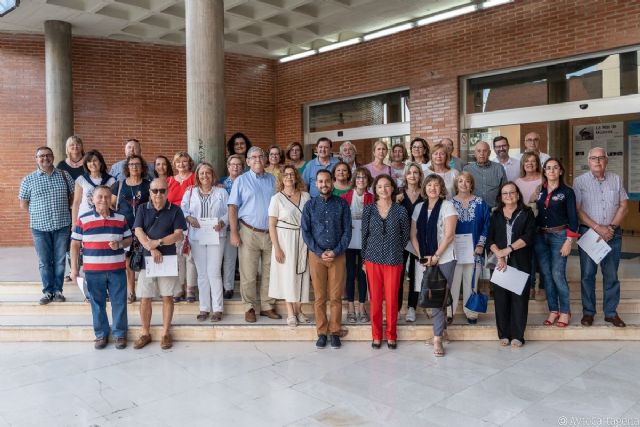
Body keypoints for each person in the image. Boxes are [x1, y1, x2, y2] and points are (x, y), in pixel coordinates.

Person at [70, 185, 132, 349]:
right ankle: (101, 334)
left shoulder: (120, 218)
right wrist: (74, 269)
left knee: (119, 302)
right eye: (100, 197)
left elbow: (129, 240)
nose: (103, 200)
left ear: (111, 198)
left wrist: (120, 243)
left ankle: (119, 334)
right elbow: (75, 244)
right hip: (92, 271)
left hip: (117, 269)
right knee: (97, 303)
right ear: (92, 199)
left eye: (106, 196)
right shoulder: (83, 219)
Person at [574, 147, 629, 328]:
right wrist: (598, 228)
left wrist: (611, 228)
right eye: (594, 158)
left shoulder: (616, 179)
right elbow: (578, 210)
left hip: (613, 234)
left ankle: (611, 313)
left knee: (611, 275)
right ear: (588, 161)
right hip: (589, 233)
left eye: (601, 158)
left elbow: (623, 206)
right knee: (587, 275)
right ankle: (588, 312)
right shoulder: (579, 181)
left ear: (606, 160)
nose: (597, 161)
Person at [133, 178, 187, 350]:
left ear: (167, 192)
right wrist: (151, 247)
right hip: (146, 261)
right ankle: (145, 333)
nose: (158, 194)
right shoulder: (142, 208)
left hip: (168, 260)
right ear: (149, 192)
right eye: (155, 190)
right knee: (145, 297)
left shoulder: (176, 210)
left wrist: (159, 242)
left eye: (162, 190)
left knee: (167, 297)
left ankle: (165, 333)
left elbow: (179, 234)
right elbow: (138, 230)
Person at [228, 146, 279, 323]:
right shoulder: (241, 181)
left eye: (261, 156)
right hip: (248, 231)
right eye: (253, 157)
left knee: (269, 271)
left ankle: (267, 305)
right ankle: (249, 307)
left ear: (266, 160)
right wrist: (234, 232)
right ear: (248, 161)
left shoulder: (273, 180)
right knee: (248, 273)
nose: (258, 159)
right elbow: (233, 207)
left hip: (270, 232)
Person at [301, 170, 351, 349]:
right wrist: (319, 251)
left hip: (337, 256)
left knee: (336, 297)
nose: (324, 184)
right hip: (316, 256)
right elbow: (305, 232)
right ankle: (322, 332)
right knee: (320, 297)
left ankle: (335, 331)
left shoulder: (342, 204)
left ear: (332, 182)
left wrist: (336, 251)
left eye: (327, 181)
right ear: (316, 184)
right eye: (320, 181)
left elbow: (347, 231)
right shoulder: (310, 206)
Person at [19, 146, 75, 304]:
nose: (45, 158)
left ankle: (58, 291)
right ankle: (47, 292)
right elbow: (24, 204)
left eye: (48, 155)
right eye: (41, 156)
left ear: (53, 157)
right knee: (44, 261)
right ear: (36, 159)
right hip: (39, 228)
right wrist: (39, 213)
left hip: (62, 225)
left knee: (59, 260)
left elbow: (72, 197)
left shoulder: (64, 175)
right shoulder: (28, 179)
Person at [410, 174, 458, 357]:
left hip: (445, 258)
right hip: (425, 258)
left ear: (441, 188)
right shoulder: (419, 208)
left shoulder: (448, 206)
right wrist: (423, 256)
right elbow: (413, 235)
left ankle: (437, 338)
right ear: (424, 188)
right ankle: (442, 331)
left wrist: (436, 256)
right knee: (437, 296)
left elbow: (449, 235)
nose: (432, 188)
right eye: (429, 185)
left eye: (436, 185)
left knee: (438, 297)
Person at [362, 174, 410, 349]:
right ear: (375, 189)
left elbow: (405, 236)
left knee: (391, 299)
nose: (383, 189)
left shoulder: (401, 211)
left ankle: (391, 335)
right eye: (380, 186)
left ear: (392, 188)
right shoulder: (369, 210)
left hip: (393, 259)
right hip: (372, 259)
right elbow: (364, 236)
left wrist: (394, 248)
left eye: (387, 186)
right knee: (375, 300)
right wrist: (363, 259)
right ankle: (376, 335)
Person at [486, 182, 536, 347]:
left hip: (520, 259)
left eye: (511, 192)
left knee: (519, 299)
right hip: (500, 262)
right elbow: (490, 238)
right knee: (501, 299)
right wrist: (499, 254)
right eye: (505, 193)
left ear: (518, 194)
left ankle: (518, 335)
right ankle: (504, 334)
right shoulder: (496, 214)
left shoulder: (527, 213)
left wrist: (507, 250)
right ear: (501, 197)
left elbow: (529, 236)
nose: (508, 196)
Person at [535, 158, 579, 328]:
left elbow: (573, 218)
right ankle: (553, 310)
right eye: (548, 168)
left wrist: (569, 240)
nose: (551, 171)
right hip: (541, 237)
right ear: (544, 171)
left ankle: (565, 310)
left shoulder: (567, 192)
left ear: (561, 171)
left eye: (555, 168)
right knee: (546, 275)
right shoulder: (540, 190)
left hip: (559, 236)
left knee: (557, 274)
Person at [181, 163, 228, 322]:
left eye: (208, 173)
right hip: (197, 236)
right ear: (197, 176)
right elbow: (183, 209)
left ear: (213, 175)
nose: (205, 176)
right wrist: (189, 217)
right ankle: (204, 308)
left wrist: (222, 222)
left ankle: (218, 308)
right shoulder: (190, 192)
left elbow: (229, 211)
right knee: (202, 274)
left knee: (214, 272)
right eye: (202, 173)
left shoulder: (221, 192)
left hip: (216, 235)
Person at [268, 165, 311, 327]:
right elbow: (271, 225)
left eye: (292, 174)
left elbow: (310, 220)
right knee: (288, 276)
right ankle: (290, 312)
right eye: (286, 175)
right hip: (284, 240)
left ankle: (299, 310)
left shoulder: (306, 196)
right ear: (281, 178)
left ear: (296, 177)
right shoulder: (277, 198)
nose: (289, 177)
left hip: (303, 239)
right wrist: (277, 248)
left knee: (302, 274)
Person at [450, 172, 490, 324]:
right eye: (460, 181)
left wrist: (481, 244)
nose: (464, 184)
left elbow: (486, 225)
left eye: (467, 181)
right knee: (453, 282)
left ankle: (471, 313)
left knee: (471, 282)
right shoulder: (449, 203)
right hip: (454, 251)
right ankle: (449, 311)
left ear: (471, 184)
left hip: (475, 250)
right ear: (456, 184)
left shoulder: (480, 203)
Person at [111, 154, 150, 304]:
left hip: (144, 228)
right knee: (128, 262)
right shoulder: (119, 185)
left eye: (137, 164)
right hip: (125, 229)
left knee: (145, 259)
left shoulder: (148, 184)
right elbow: (111, 204)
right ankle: (131, 292)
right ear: (127, 167)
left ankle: (146, 291)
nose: (134, 167)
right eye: (131, 164)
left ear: (142, 167)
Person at [341, 167, 373, 324]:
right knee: (350, 273)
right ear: (354, 179)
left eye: (364, 177)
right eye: (358, 177)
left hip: (365, 241)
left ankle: (361, 307)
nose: (361, 180)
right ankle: (351, 307)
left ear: (368, 180)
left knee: (362, 274)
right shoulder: (345, 196)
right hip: (349, 240)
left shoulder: (371, 198)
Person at [167, 151, 197, 303]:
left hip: (191, 222)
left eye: (184, 161)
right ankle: (179, 288)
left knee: (190, 256)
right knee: (178, 256)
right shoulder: (169, 180)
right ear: (175, 164)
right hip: (174, 223)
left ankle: (190, 288)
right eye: (178, 162)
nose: (181, 164)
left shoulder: (194, 178)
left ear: (189, 163)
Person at [396, 163, 424, 322]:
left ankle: (412, 307)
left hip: (418, 241)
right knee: (399, 274)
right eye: (409, 173)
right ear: (405, 176)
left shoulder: (425, 195)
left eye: (415, 172)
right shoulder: (399, 195)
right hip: (400, 240)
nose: (412, 175)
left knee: (416, 275)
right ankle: (398, 307)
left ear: (420, 175)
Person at [514, 152, 544, 300]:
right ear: (523, 164)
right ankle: (531, 286)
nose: (530, 164)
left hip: (542, 223)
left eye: (533, 161)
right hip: (525, 225)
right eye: (527, 161)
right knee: (529, 258)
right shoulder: (518, 182)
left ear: (538, 163)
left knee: (542, 256)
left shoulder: (543, 179)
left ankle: (542, 287)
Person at [219, 154, 244, 299]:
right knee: (229, 257)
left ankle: (245, 288)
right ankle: (228, 287)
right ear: (228, 167)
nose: (235, 167)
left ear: (242, 167)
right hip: (227, 226)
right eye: (232, 164)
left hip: (245, 224)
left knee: (245, 259)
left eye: (238, 164)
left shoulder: (247, 181)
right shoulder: (221, 183)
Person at [71, 150, 116, 227]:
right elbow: (76, 202)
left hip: (104, 218)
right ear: (86, 164)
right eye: (89, 161)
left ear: (100, 162)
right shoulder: (81, 180)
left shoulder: (110, 180)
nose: (92, 164)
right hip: (85, 218)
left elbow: (112, 203)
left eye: (95, 160)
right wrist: (74, 223)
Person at [463, 141, 507, 208]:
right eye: (479, 151)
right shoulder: (467, 169)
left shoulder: (499, 168)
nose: (482, 154)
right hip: (473, 209)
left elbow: (505, 189)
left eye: (485, 151)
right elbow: (463, 190)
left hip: (494, 210)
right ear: (475, 153)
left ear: (489, 153)